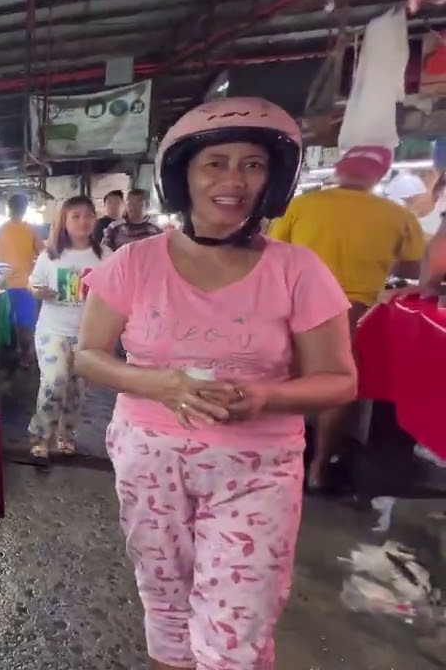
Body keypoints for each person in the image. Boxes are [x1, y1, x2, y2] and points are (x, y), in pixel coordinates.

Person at [76, 98, 356, 670]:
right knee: (166, 608)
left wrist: (269, 396)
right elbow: (88, 357)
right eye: (216, 164)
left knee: (236, 632)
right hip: (149, 465)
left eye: (253, 165)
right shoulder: (133, 263)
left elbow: (339, 381)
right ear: (183, 177)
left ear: (273, 179)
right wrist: (160, 385)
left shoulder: (298, 270)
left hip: (256, 471)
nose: (234, 181)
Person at [268, 144, 424, 491]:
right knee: (336, 385)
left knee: (284, 379)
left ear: (339, 170)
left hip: (295, 304)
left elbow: (272, 252)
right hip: (353, 312)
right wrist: (380, 257)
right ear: (380, 175)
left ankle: (276, 457)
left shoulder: (302, 205)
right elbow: (416, 269)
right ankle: (319, 467)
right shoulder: (397, 215)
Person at [27, 196, 112, 465]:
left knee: (77, 389)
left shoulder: (105, 255)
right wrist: (38, 291)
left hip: (87, 335)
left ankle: (66, 433)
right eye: (76, 216)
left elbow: (114, 295)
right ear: (64, 221)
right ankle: (41, 436)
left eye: (88, 215)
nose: (83, 221)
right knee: (55, 381)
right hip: (52, 330)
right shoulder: (50, 254)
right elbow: (34, 284)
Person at [0, 193, 44, 334]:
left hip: (4, 286)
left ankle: (10, 346)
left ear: (8, 208)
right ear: (25, 209)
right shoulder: (32, 230)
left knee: (5, 328)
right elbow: (43, 254)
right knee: (27, 327)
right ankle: (25, 347)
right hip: (25, 285)